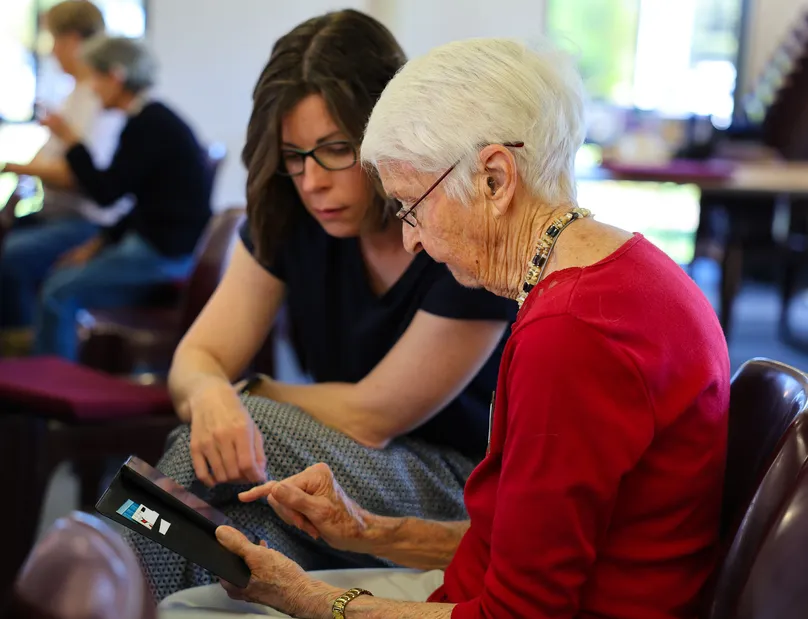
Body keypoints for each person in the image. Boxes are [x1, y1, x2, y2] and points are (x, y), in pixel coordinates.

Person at [175, 37, 730, 619]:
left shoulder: (570, 336)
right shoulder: (630, 271)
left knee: (191, 610)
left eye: (412, 205)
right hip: (476, 592)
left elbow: (515, 615)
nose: (411, 238)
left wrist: (310, 599)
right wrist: (364, 529)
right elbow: (525, 549)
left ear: (494, 179)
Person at [133, 10, 515, 601]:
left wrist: (244, 392)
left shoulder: (453, 228)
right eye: (293, 155)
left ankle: (111, 588)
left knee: (218, 445)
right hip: (332, 465)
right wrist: (210, 394)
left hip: (457, 486)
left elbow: (374, 415)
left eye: (336, 149)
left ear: (390, 135)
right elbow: (198, 358)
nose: (311, 180)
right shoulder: (293, 215)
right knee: (238, 534)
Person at [4, 36, 212, 360]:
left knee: (58, 291)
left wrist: (71, 139)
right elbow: (143, 203)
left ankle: (50, 394)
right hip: (158, 245)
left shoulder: (149, 125)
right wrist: (100, 242)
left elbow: (105, 192)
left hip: (163, 256)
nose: (92, 90)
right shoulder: (150, 120)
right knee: (58, 277)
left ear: (115, 76)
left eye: (95, 80)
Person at [0, 0, 132, 356]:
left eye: (55, 40)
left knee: (12, 255)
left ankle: (26, 354)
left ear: (74, 40)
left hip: (87, 222)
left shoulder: (101, 97)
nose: (52, 50)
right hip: (61, 215)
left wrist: (17, 167)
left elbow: (86, 176)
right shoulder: (78, 94)